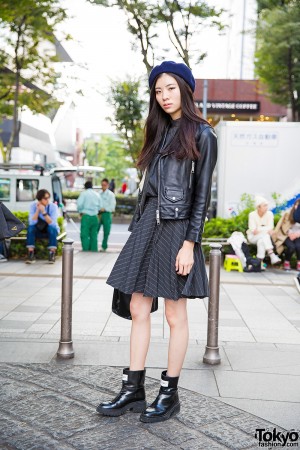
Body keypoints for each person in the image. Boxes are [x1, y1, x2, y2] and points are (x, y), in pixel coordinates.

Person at [96, 61, 217, 423]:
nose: (164, 97)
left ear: (184, 89)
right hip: (149, 223)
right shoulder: (159, 130)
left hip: (177, 228)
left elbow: (201, 196)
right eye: (158, 90)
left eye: (170, 89)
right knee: (137, 307)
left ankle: (170, 392)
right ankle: (133, 389)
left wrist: (189, 244)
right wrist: (137, 229)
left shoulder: (202, 134)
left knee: (174, 312)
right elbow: (151, 190)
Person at [26, 189, 59, 264]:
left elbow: (52, 223)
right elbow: (32, 222)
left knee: (52, 229)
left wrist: (44, 212)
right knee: (30, 228)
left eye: (48, 198)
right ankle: (31, 254)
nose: (48, 200)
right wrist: (38, 210)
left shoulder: (53, 206)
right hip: (38, 230)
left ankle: (52, 254)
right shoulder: (33, 206)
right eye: (45, 198)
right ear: (39, 200)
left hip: (49, 231)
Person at [246, 196, 281, 268]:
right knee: (265, 235)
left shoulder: (270, 214)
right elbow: (253, 230)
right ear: (258, 207)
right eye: (264, 206)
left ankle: (259, 263)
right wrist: (265, 229)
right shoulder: (252, 215)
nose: (266, 207)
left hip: (262, 237)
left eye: (267, 205)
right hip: (252, 237)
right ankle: (271, 254)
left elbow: (271, 227)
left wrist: (260, 229)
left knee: (261, 241)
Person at [273, 199, 300, 271]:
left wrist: (297, 234)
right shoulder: (288, 214)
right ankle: (287, 262)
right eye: (296, 205)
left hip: (298, 235)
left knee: (298, 246)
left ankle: (299, 263)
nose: (297, 207)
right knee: (291, 247)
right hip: (286, 235)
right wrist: (290, 233)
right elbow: (284, 226)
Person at [77, 181, 101, 252]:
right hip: (95, 217)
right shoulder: (97, 194)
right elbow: (100, 206)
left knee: (85, 235)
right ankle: (94, 250)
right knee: (94, 235)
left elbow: (79, 204)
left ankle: (86, 250)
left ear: (85, 187)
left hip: (86, 216)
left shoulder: (84, 194)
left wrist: (80, 211)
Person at [98, 178, 116, 252]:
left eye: (105, 185)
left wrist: (104, 209)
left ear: (108, 185)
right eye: (102, 185)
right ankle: (93, 247)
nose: (103, 186)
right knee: (95, 230)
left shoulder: (111, 195)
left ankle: (104, 247)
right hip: (98, 214)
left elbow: (112, 207)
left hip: (107, 214)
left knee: (106, 231)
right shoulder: (98, 194)